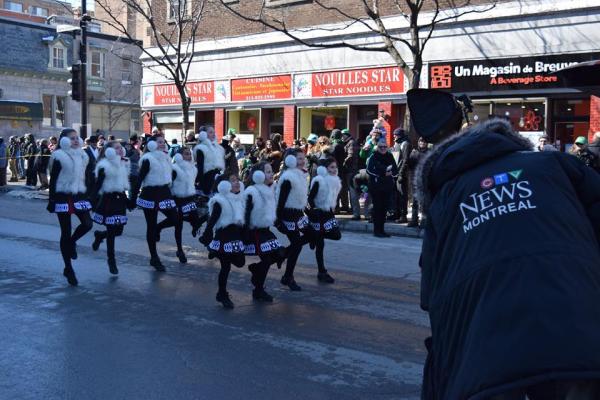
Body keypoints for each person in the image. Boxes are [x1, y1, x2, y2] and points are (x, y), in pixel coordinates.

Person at [407, 88, 600, 400]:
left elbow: (432, 296)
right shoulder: (554, 164)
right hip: (582, 331)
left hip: (487, 354)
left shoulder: (445, 200)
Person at [46, 128, 94, 286]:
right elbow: (53, 180)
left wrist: (89, 194)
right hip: (62, 196)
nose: (75, 140)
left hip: (79, 195)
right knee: (65, 232)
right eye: (71, 138)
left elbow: (86, 177)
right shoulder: (58, 156)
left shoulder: (83, 155)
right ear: (64, 141)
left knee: (88, 224)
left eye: (76, 138)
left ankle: (73, 242)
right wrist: (51, 200)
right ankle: (68, 268)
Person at [130, 136, 179, 271]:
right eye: (159, 142)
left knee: (175, 219)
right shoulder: (147, 159)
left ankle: (159, 228)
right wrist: (132, 199)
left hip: (165, 192)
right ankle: (154, 257)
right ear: (151, 144)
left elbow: (170, 175)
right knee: (150, 226)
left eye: (164, 142)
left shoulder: (166, 157)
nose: (163, 144)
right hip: (150, 194)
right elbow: (139, 180)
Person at [200, 174, 246, 309]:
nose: (237, 183)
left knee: (240, 262)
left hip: (236, 237)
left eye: (238, 180)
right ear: (224, 186)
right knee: (226, 268)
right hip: (224, 237)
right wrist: (207, 235)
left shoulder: (240, 199)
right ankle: (222, 294)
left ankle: (214, 252)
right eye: (232, 181)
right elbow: (212, 220)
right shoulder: (220, 201)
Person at [243, 162, 286, 302]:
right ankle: (258, 289)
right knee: (267, 259)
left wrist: (278, 223)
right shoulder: (252, 191)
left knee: (279, 255)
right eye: (267, 171)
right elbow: (246, 214)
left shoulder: (270, 189)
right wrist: (245, 235)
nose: (271, 174)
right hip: (255, 231)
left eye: (271, 171)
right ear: (258, 175)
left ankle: (256, 270)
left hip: (266, 230)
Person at [156, 148, 205, 264]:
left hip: (190, 198)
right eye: (186, 154)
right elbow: (167, 184)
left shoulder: (194, 169)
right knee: (178, 224)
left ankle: (159, 227)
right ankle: (179, 250)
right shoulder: (175, 169)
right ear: (179, 156)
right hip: (177, 199)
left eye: (189, 154)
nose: (188, 156)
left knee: (197, 219)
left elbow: (196, 181)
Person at [90, 141, 131, 274]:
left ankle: (100, 235)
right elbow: (97, 186)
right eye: (117, 148)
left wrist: (128, 200)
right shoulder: (104, 166)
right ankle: (111, 261)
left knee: (119, 231)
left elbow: (124, 184)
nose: (120, 150)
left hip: (120, 199)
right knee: (113, 232)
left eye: (121, 148)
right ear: (109, 151)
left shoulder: (123, 163)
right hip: (108, 200)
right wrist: (92, 201)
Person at [275, 150, 311, 291]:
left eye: (303, 158)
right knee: (297, 244)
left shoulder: (301, 174)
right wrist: (278, 221)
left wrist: (308, 211)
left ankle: (283, 254)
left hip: (298, 213)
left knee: (312, 234)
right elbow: (281, 201)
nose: (302, 161)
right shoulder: (288, 177)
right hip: (287, 214)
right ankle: (288, 277)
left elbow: (301, 198)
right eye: (298, 159)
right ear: (290, 160)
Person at [307, 158, 341, 284]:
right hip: (318, 214)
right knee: (320, 246)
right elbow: (309, 199)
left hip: (329, 214)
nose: (334, 170)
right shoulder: (319, 181)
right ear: (324, 169)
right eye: (331, 167)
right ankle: (322, 272)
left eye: (335, 167)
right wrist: (313, 212)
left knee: (337, 235)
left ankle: (314, 237)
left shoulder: (335, 181)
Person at [366, 138, 398, 237]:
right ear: (377, 147)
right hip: (376, 186)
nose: (383, 148)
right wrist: (382, 174)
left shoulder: (389, 155)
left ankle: (382, 230)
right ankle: (377, 231)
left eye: (385, 146)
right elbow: (369, 170)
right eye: (381, 147)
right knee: (378, 209)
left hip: (387, 186)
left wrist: (392, 175)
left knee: (384, 209)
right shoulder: (373, 156)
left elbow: (395, 168)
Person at [194, 126, 225, 197]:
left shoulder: (219, 149)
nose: (213, 134)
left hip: (219, 179)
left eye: (214, 132)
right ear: (203, 134)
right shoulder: (201, 148)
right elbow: (200, 168)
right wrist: (201, 183)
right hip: (207, 180)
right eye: (211, 132)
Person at [407, 137, 430, 227]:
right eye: (421, 141)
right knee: (415, 200)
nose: (422, 143)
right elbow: (410, 165)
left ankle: (424, 221)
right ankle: (414, 220)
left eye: (424, 141)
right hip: (415, 178)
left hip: (425, 179)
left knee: (424, 201)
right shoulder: (414, 152)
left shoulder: (429, 152)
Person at [393, 128, 411, 223]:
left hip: (402, 174)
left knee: (402, 195)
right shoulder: (397, 143)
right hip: (395, 173)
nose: (394, 136)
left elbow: (405, 160)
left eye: (395, 134)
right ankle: (397, 213)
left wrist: (401, 173)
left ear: (400, 135)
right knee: (397, 195)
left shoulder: (405, 144)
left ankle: (403, 215)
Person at [342, 129, 360, 219]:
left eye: (343, 135)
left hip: (351, 171)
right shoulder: (348, 142)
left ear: (347, 135)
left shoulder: (351, 143)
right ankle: (354, 211)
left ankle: (356, 214)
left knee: (353, 192)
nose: (342, 137)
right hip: (350, 170)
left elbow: (350, 156)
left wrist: (343, 163)